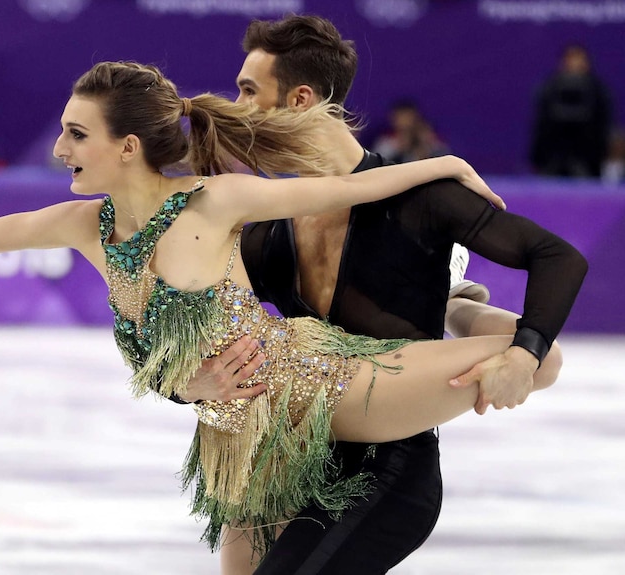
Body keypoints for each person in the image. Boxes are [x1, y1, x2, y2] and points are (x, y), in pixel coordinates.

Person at [0, 61, 581, 575]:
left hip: (319, 385)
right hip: (240, 443)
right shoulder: (88, 226)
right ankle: (457, 313)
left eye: (76, 133)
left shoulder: (213, 202)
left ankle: (456, 311)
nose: (60, 146)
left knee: (531, 359)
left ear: (127, 145)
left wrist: (444, 165)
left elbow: (348, 188)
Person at [173, 15, 588, 574]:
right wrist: (189, 388)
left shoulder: (422, 200)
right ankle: (454, 304)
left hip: (386, 472)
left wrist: (524, 351)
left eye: (249, 90)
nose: (237, 105)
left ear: (300, 100)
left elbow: (558, 257)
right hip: (286, 463)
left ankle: (454, 306)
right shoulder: (268, 231)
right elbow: (190, 338)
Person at [530, 44, 614, 178]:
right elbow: (540, 127)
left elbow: (604, 127)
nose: (575, 64)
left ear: (587, 63)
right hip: (552, 159)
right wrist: (539, 159)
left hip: (588, 159)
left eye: (579, 59)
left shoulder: (598, 92)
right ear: (563, 62)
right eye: (571, 59)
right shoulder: (549, 89)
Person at [371, 99, 450, 164]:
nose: (404, 122)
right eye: (400, 117)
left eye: (407, 117)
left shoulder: (429, 138)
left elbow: (446, 159)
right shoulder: (386, 141)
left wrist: (425, 146)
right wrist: (399, 149)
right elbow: (377, 165)